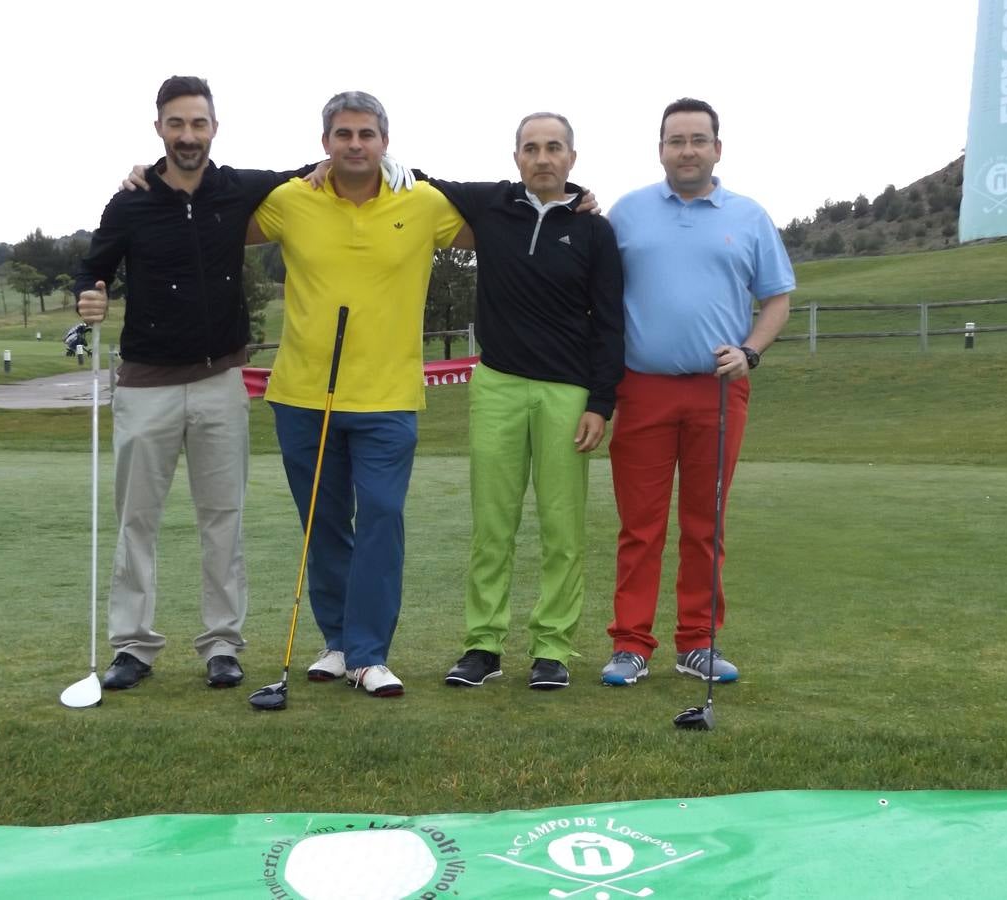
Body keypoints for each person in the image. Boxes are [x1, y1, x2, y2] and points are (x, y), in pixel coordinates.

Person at [74, 75, 314, 692]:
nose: (188, 136)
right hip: (146, 385)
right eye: (176, 124)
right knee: (137, 522)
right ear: (159, 128)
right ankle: (133, 645)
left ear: (214, 127)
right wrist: (89, 299)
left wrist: (393, 165)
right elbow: (92, 272)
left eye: (198, 124)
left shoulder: (236, 189)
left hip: (219, 382)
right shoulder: (127, 202)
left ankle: (222, 645)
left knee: (223, 519)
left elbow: (316, 168)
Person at [249, 91, 468, 698]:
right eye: (343, 134)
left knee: (380, 519)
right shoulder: (291, 201)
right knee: (323, 524)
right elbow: (212, 215)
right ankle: (338, 641)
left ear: (384, 141)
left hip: (388, 396)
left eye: (366, 134)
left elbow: (500, 225)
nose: (354, 144)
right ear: (325, 143)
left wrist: (571, 202)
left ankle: (370, 653)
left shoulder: (421, 203)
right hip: (302, 394)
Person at [600, 98, 794, 688]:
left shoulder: (750, 216)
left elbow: (777, 299)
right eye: (675, 140)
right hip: (641, 389)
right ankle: (631, 645)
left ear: (717, 147)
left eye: (698, 139)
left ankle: (697, 643)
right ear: (660, 149)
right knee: (641, 526)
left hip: (717, 392)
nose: (687, 150)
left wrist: (751, 350)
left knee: (705, 523)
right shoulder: (625, 213)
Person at [431, 113, 624, 691]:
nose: (543, 157)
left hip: (567, 392)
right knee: (493, 523)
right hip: (497, 386)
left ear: (572, 156)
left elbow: (610, 323)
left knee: (562, 527)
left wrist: (601, 402)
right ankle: (483, 644)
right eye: (532, 148)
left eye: (554, 148)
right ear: (516, 156)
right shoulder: (493, 206)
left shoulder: (595, 229)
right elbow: (419, 181)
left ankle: (552, 648)